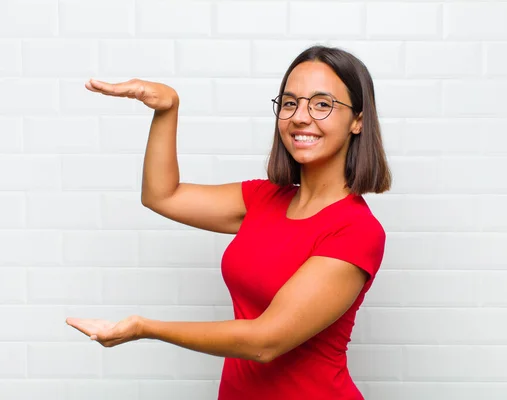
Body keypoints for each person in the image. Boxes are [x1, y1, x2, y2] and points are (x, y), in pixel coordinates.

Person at [67, 45, 392, 400]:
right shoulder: (263, 199)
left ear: (358, 120)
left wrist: (146, 328)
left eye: (322, 104)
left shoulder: (356, 231)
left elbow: (266, 341)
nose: (300, 116)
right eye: (289, 102)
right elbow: (162, 195)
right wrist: (168, 108)